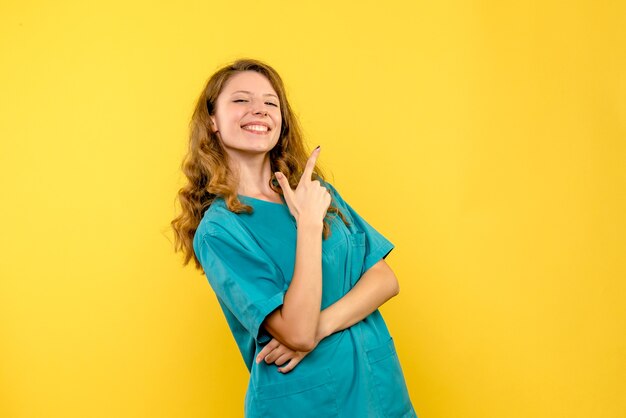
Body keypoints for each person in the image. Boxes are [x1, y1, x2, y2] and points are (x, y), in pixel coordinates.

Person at [171, 58, 417, 418]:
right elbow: (297, 333)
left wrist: (323, 325)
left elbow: (384, 279)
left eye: (271, 103)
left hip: (379, 391)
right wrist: (307, 227)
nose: (259, 110)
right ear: (212, 121)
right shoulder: (219, 230)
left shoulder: (315, 193)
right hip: (304, 402)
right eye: (241, 100)